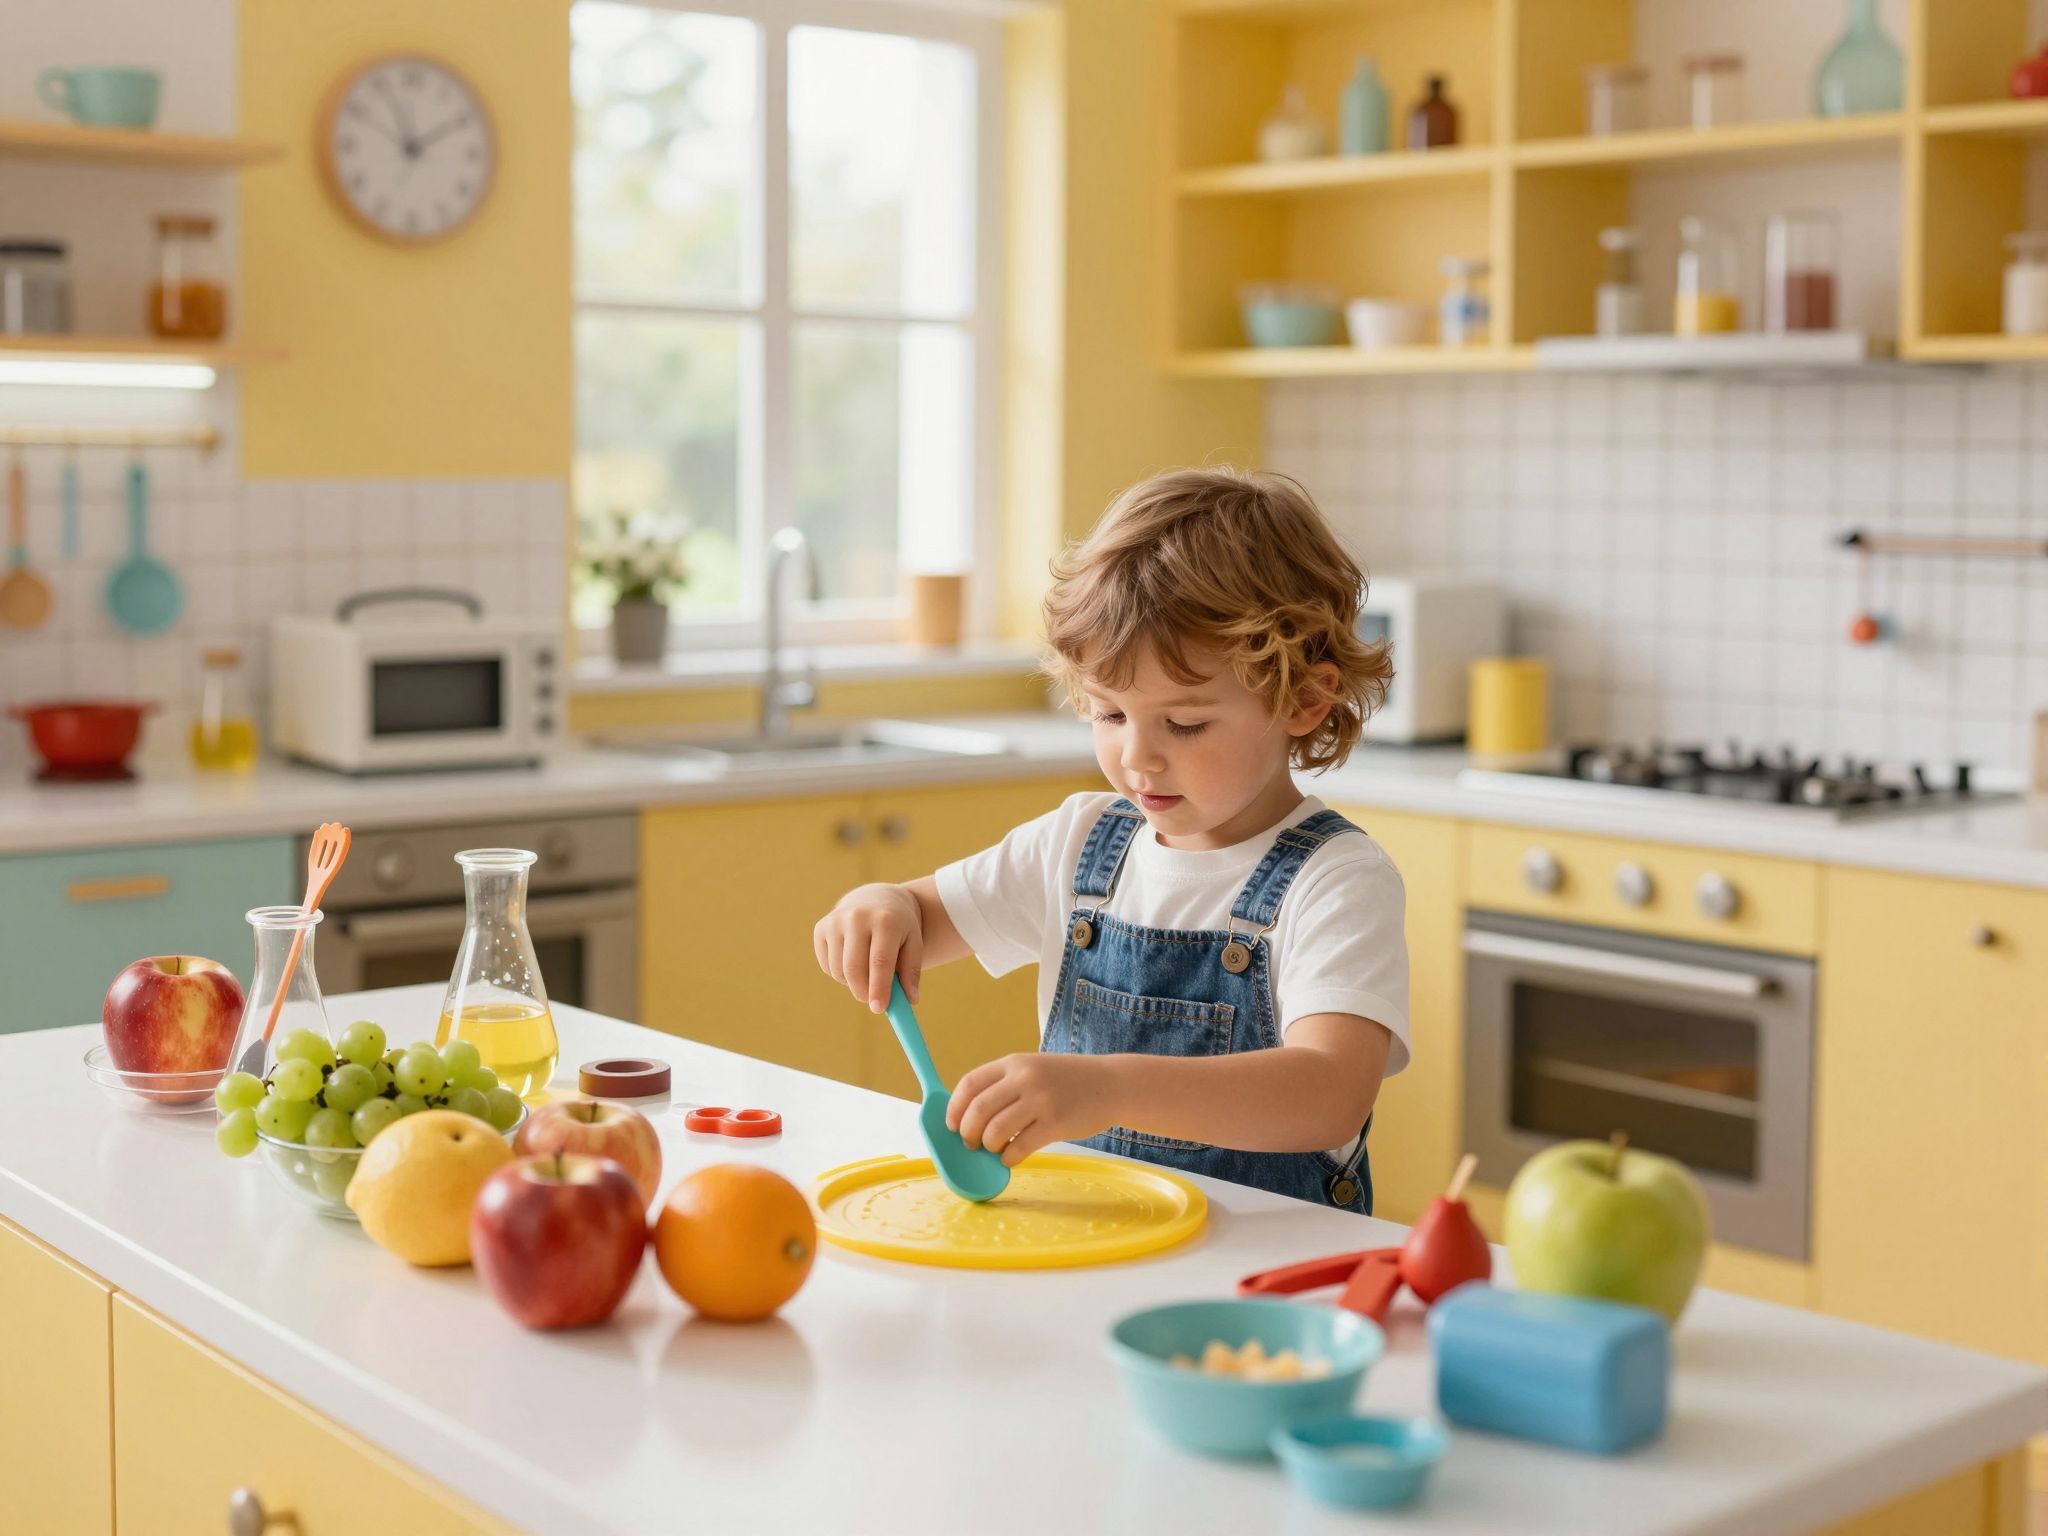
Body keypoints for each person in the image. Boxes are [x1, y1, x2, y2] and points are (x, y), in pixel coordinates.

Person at [812, 466, 1408, 1212]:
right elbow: (918, 920)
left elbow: (1328, 1094)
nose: (1138, 757)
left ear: (1304, 700)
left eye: (1184, 723)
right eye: (1108, 714)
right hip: (1095, 1246)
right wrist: (882, 906)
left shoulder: (1338, 880)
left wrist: (1108, 1087)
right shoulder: (1081, 841)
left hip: (1266, 1280)